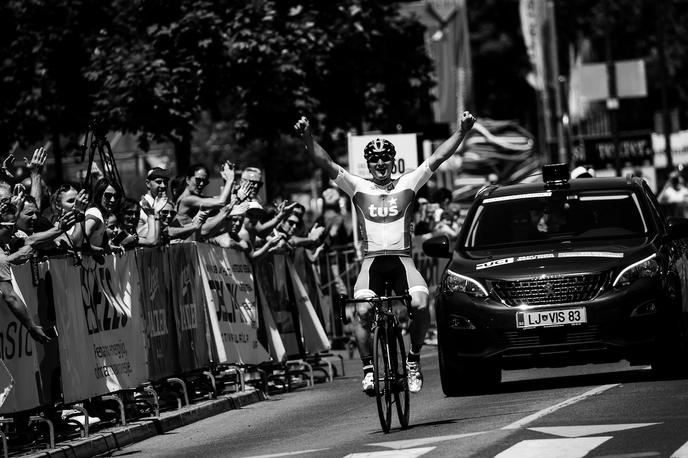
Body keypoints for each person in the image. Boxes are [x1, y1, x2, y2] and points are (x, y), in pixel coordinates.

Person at [295, 110, 476, 394]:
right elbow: (326, 162)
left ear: (393, 161)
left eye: (385, 158)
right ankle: (368, 369)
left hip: (403, 261)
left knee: (419, 304)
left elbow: (438, 158)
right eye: (374, 159)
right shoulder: (357, 186)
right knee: (363, 311)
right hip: (372, 263)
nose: (380, 162)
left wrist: (462, 131)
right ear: (368, 164)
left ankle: (413, 359)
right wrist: (307, 137)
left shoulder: (408, 183)